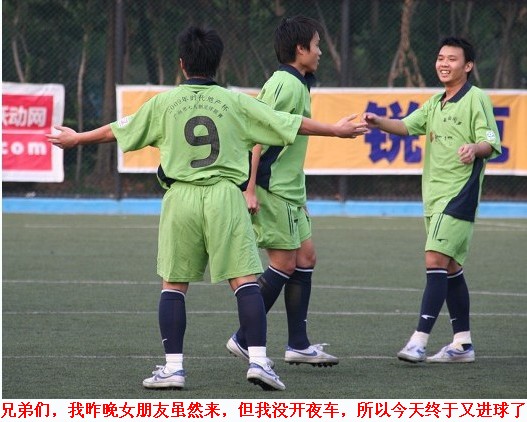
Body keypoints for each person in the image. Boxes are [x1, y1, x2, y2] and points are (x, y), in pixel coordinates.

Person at [46, 25, 367, 390]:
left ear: (182, 64)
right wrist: (335, 130)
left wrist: (77, 138)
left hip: (181, 199)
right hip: (225, 198)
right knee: (244, 280)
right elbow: (289, 124)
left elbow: (117, 129)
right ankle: (259, 361)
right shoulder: (235, 102)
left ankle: (173, 368)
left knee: (174, 285)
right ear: (218, 64)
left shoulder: (164, 103)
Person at [363, 37, 501, 364]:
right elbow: (406, 126)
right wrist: (378, 122)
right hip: (434, 197)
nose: (444, 63)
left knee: (435, 259)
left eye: (452, 59)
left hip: (459, 195)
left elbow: (491, 140)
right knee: (451, 268)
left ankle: (418, 341)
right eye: (440, 58)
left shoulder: (476, 98)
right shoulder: (436, 103)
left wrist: (475, 148)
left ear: (468, 66)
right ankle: (462, 344)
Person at [226, 16, 338, 367]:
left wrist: (300, 198)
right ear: (300, 49)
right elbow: (257, 135)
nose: (320, 52)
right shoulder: (285, 84)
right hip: (271, 188)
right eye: (316, 45)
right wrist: (249, 188)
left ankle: (298, 345)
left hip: (290, 191)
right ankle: (243, 338)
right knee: (284, 263)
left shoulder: (297, 83)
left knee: (306, 258)